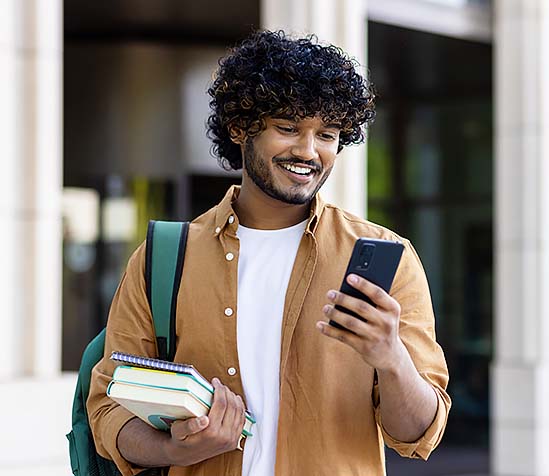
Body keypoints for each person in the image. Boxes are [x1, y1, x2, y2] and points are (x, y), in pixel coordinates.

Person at [87, 29, 450, 476]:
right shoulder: (164, 257)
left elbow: (419, 432)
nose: (308, 151)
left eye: (327, 134)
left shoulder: (389, 257)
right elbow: (107, 409)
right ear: (240, 127)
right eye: (287, 128)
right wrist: (175, 450)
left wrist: (391, 357)